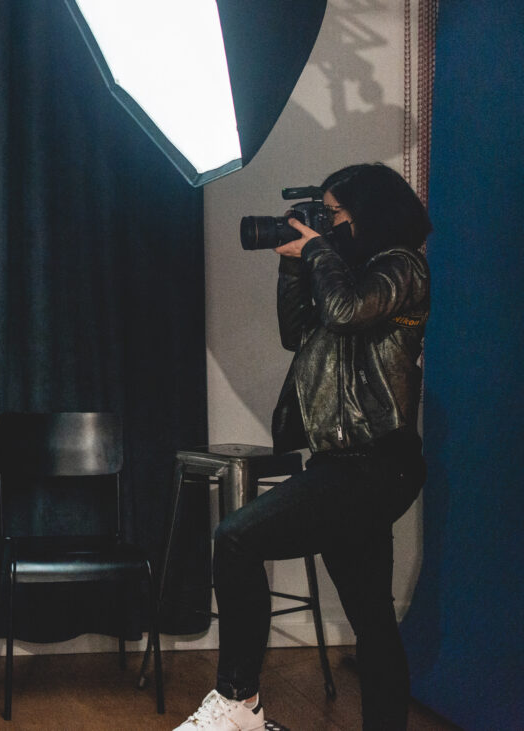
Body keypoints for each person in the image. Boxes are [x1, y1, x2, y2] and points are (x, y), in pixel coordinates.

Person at [174, 163, 431, 731]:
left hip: (375, 465)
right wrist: (294, 268)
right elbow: (298, 333)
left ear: (369, 214)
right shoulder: (343, 268)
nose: (327, 226)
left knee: (235, 538)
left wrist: (317, 254)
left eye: (333, 214)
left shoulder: (401, 268)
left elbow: (343, 312)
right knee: (371, 620)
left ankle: (240, 703)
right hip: (341, 462)